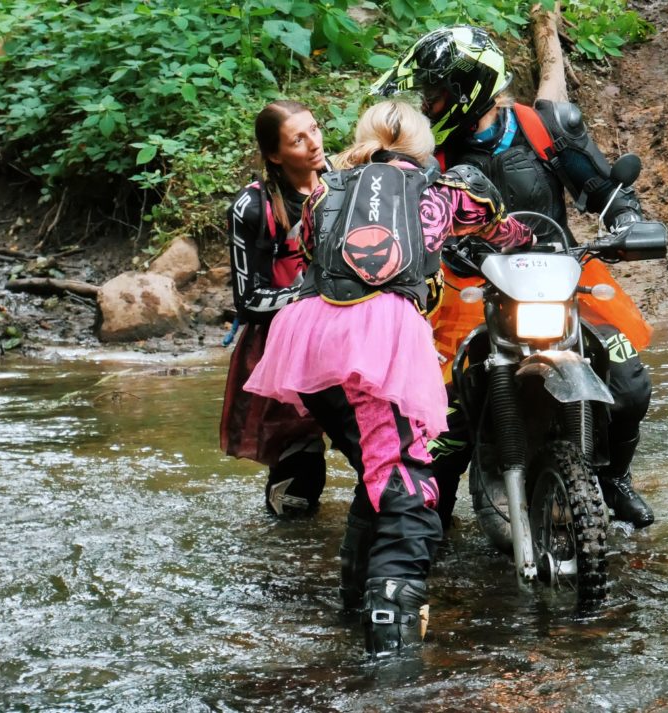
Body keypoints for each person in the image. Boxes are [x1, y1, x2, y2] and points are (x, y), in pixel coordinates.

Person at [243, 100, 534, 657]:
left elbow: (310, 251)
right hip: (379, 341)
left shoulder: (328, 189)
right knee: (407, 490)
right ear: (423, 148)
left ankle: (353, 606)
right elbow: (507, 233)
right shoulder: (452, 191)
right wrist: (528, 240)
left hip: (309, 341)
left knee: (378, 471)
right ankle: (391, 648)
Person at [372, 25, 658, 529]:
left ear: (468, 90)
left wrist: (628, 221)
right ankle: (431, 510)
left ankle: (612, 478)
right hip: (467, 280)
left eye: (436, 95)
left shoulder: (545, 126)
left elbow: (600, 188)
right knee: (446, 400)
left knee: (630, 382)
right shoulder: (425, 151)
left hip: (561, 271)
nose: (429, 105)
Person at [219, 100, 329, 516]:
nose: (314, 144)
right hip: (282, 347)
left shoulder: (343, 183)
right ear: (274, 155)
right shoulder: (252, 207)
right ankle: (289, 561)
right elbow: (248, 300)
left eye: (314, 130)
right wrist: (312, 296)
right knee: (300, 475)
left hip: (345, 334)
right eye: (298, 139)